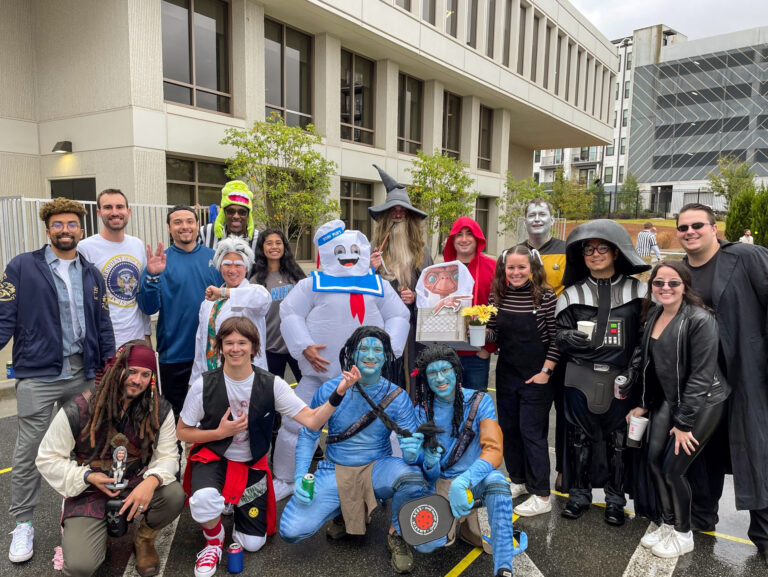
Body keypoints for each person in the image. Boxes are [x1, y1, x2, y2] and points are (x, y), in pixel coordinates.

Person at [178, 317, 358, 577]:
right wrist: (219, 432)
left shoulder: (272, 384)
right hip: (215, 458)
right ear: (220, 347)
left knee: (252, 543)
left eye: (242, 342)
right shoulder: (204, 384)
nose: (235, 348)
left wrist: (338, 392)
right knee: (203, 501)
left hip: (252, 464)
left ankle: (234, 503)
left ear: (254, 347)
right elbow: (183, 432)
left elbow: (312, 419)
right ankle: (213, 540)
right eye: (229, 343)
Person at [0, 197, 115, 563]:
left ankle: (78, 515)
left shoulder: (92, 272)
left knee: (85, 450)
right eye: (58, 225)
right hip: (38, 374)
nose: (65, 230)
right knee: (30, 453)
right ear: (47, 229)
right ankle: (23, 524)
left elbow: (103, 324)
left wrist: (110, 365)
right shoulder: (21, 267)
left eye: (72, 225)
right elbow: (4, 316)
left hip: (83, 372)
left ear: (82, 230)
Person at [270, 220, 410, 500]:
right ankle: (285, 478)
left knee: (389, 425)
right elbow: (290, 313)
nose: (348, 253)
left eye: (354, 248)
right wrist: (304, 345)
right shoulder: (313, 284)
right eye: (341, 249)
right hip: (320, 375)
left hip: (370, 379)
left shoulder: (378, 285)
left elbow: (399, 316)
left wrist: (389, 349)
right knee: (296, 426)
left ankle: (396, 476)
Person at [279, 327, 425, 574]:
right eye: (364, 349)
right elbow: (309, 434)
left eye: (378, 349)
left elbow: (414, 449)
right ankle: (344, 512)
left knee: (412, 477)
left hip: (377, 468)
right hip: (334, 469)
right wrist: (300, 475)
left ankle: (396, 533)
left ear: (387, 356)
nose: (371, 354)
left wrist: (414, 454)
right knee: (292, 530)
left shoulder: (397, 397)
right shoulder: (330, 390)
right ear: (352, 354)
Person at [35, 341, 184, 577]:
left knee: (173, 494)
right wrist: (86, 475)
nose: (138, 380)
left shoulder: (159, 409)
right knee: (80, 567)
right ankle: (93, 530)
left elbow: (167, 455)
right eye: (132, 371)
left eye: (146, 374)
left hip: (135, 483)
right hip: (90, 488)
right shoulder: (77, 409)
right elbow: (48, 458)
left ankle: (144, 540)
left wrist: (152, 480)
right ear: (116, 369)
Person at [676, 203, 768, 560]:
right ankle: (702, 517)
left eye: (697, 225)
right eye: (683, 227)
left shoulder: (745, 257)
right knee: (703, 452)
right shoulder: (679, 272)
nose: (689, 232)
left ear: (715, 228)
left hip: (746, 374)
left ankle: (763, 534)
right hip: (702, 382)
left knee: (755, 451)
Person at [626, 261, 729, 558]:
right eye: (659, 283)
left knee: (673, 469)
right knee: (654, 461)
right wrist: (643, 404)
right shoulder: (655, 313)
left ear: (685, 286)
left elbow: (701, 376)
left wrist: (684, 423)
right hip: (669, 400)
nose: (665, 288)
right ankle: (668, 524)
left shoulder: (700, 320)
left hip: (703, 403)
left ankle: (684, 534)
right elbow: (648, 364)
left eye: (673, 283)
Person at [555, 219, 649, 526]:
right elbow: (557, 333)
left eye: (602, 248)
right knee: (578, 439)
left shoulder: (640, 291)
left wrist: (634, 371)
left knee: (619, 442)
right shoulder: (570, 294)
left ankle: (615, 500)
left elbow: (646, 338)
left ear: (616, 251)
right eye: (589, 250)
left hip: (620, 379)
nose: (595, 254)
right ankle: (579, 495)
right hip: (579, 378)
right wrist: (563, 337)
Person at [402, 345, 515, 577]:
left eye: (445, 370)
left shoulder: (480, 400)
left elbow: (493, 451)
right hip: (441, 485)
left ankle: (504, 568)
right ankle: (462, 525)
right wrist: (423, 460)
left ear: (456, 371)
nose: (440, 378)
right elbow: (426, 470)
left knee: (498, 483)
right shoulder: (422, 410)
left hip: (473, 481)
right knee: (426, 544)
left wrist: (464, 481)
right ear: (426, 378)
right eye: (432, 373)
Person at [486, 246, 559, 516]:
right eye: (511, 268)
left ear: (532, 269)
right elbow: (493, 332)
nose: (516, 273)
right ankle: (518, 480)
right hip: (507, 371)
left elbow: (555, 339)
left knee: (532, 433)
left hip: (537, 374)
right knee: (509, 429)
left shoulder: (546, 296)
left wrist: (546, 372)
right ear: (504, 269)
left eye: (521, 267)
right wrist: (477, 328)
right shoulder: (497, 294)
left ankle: (541, 495)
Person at [137, 205, 222, 416]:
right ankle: (175, 450)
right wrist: (153, 276)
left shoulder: (215, 259)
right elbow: (148, 307)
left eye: (189, 221)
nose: (184, 226)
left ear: (197, 225)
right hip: (175, 354)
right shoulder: (159, 262)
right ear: (169, 228)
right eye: (177, 222)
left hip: (212, 353)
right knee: (175, 414)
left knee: (212, 412)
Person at [519, 198, 568, 490]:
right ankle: (528, 474)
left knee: (564, 414)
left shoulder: (566, 251)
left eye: (542, 214)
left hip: (562, 341)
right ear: (525, 221)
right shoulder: (515, 254)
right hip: (529, 347)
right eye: (532, 214)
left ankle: (564, 469)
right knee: (531, 419)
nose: (537, 219)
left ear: (552, 218)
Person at [369, 165, 433, 390]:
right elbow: (362, 292)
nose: (398, 215)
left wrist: (415, 298)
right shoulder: (373, 251)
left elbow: (432, 294)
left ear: (409, 215)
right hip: (382, 329)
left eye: (402, 211)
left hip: (414, 332)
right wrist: (371, 271)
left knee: (414, 379)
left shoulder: (423, 253)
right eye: (393, 211)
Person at [190, 235, 271, 384]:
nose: (232, 270)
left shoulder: (255, 292)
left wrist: (222, 293)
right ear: (220, 267)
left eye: (238, 265)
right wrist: (195, 380)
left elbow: (262, 298)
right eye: (227, 264)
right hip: (211, 376)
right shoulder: (207, 303)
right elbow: (202, 342)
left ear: (246, 268)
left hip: (247, 377)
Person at [78, 188, 152, 348]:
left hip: (136, 338)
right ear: (99, 212)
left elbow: (141, 292)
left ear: (128, 211)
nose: (114, 212)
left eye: (119, 207)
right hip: (103, 342)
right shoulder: (85, 248)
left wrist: (147, 333)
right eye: (107, 207)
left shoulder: (137, 245)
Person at [442, 217, 497, 391]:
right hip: (447, 354)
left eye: (469, 234)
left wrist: (487, 348)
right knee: (447, 404)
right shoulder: (442, 269)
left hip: (477, 354)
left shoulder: (493, 268)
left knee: (475, 405)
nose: (464, 239)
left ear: (477, 238)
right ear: (452, 239)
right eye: (459, 235)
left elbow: (500, 310)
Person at [249, 228, 306, 381]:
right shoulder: (255, 281)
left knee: (308, 390)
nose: (274, 247)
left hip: (298, 345)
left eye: (278, 243)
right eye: (269, 243)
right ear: (262, 248)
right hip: (270, 348)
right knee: (273, 395)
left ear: (284, 247)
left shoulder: (295, 274)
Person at [198, 180, 259, 255]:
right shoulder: (206, 232)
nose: (236, 216)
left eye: (242, 212)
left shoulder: (257, 239)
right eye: (230, 211)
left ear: (248, 215)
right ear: (223, 213)